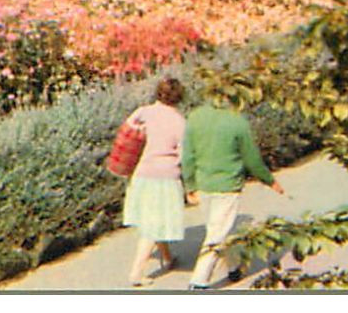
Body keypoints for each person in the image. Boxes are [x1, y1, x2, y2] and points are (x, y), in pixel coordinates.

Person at [182, 85, 285, 290]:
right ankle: (198, 281)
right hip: (227, 184)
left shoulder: (195, 117)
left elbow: (187, 155)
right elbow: (252, 158)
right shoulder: (237, 122)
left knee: (218, 228)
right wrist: (269, 180)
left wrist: (189, 184)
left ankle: (233, 267)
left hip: (204, 183)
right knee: (217, 233)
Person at [122, 78, 187, 287]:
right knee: (154, 224)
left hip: (141, 173)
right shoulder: (179, 121)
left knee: (152, 218)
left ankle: (167, 257)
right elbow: (183, 154)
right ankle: (137, 273)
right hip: (165, 176)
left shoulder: (143, 112)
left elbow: (127, 133)